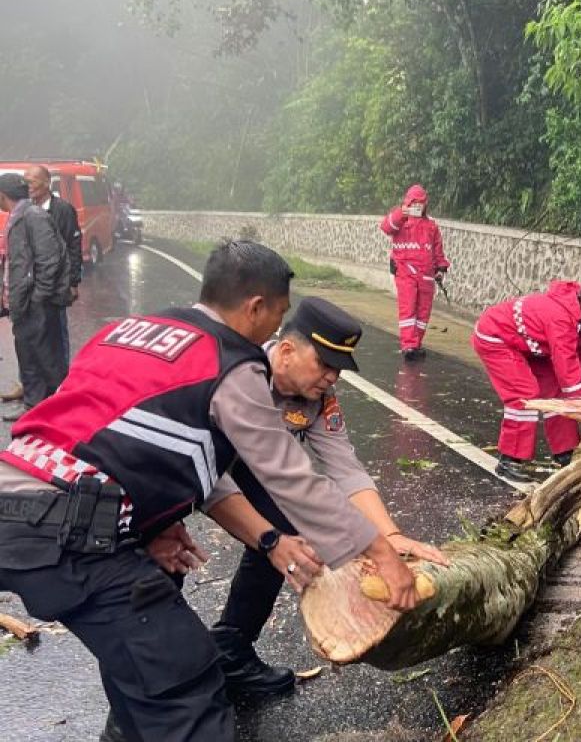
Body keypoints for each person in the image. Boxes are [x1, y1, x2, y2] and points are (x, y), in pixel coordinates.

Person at [0, 240, 425, 742]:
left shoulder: (136, 329)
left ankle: (212, 661)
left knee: (151, 645)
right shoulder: (235, 367)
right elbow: (285, 478)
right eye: (279, 314)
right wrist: (372, 551)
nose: (331, 378)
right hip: (73, 527)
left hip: (23, 498)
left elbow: (112, 434)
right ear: (258, 309)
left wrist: (152, 523)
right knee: (186, 685)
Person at [208, 296, 448, 698]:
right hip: (193, 466)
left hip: (257, 465)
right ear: (286, 350)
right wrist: (266, 539)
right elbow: (207, 476)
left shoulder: (317, 400)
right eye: (325, 364)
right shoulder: (236, 373)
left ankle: (231, 648)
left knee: (287, 525)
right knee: (260, 539)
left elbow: (345, 469)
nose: (332, 377)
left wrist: (389, 536)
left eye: (338, 369)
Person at [472, 280, 581, 485]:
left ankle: (566, 452)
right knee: (524, 395)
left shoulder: (580, 319)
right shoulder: (561, 319)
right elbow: (567, 367)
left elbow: (576, 363)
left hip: (527, 344)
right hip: (496, 338)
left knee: (557, 390)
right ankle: (509, 460)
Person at [0, 173, 71, 422]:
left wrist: (39, 296)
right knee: (28, 354)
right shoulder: (18, 216)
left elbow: (49, 259)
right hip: (23, 301)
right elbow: (16, 262)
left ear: (3, 195)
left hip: (36, 302)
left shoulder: (33, 216)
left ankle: (58, 410)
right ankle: (33, 405)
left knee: (47, 358)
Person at [379, 184, 450, 361]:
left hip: (426, 276)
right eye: (414, 203)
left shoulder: (431, 226)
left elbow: (437, 249)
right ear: (408, 202)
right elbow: (386, 227)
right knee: (408, 309)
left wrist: (440, 268)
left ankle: (416, 344)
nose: (418, 206)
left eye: (421, 203)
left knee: (423, 313)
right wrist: (402, 213)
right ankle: (408, 345)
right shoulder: (400, 221)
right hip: (405, 272)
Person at [25, 164, 83, 370]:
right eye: (25, 181)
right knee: (30, 333)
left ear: (47, 183)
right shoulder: (24, 209)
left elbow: (73, 245)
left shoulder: (63, 210)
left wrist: (73, 282)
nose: (28, 186)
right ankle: (31, 382)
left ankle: (61, 381)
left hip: (56, 283)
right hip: (30, 284)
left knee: (56, 332)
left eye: (32, 181)